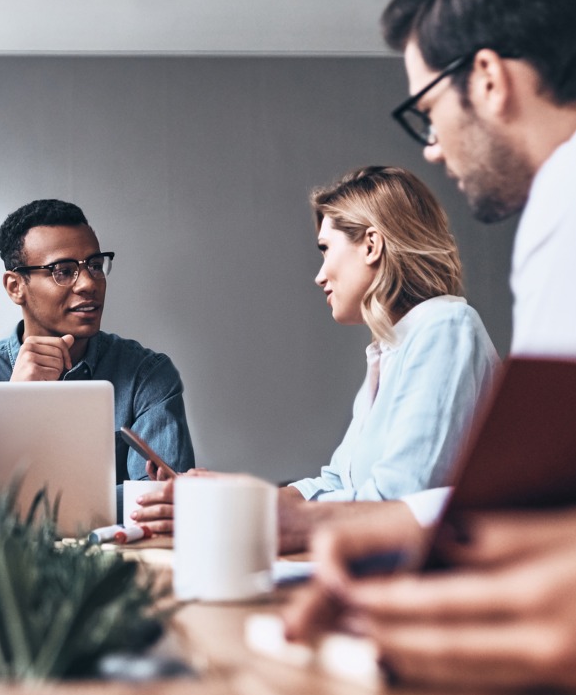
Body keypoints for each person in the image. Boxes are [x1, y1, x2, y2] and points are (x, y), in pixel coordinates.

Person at [284, 0, 576, 691]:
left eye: (427, 112)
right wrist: (391, 526)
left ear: (489, 79)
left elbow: (550, 514)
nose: (433, 147)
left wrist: (370, 538)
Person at [132, 167, 498, 550]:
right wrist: (231, 494)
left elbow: (397, 501)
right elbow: (337, 482)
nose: (320, 276)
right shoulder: (388, 352)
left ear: (372, 245)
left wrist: (246, 510)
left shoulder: (445, 326)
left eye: (326, 249)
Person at [0, 199, 195, 502]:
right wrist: (11, 408)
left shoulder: (146, 376)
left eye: (95, 266)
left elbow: (160, 501)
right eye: (63, 271)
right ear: (15, 287)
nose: (88, 284)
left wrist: (22, 508)